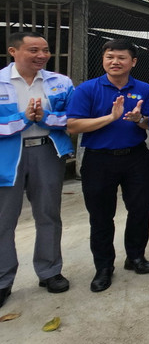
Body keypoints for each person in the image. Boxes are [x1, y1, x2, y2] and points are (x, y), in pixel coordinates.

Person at [67, 39, 149, 293]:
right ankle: (104, 267)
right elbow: (73, 126)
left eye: (121, 57)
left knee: (140, 209)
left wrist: (140, 119)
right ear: (104, 60)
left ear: (133, 62)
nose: (115, 62)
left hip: (136, 157)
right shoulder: (87, 89)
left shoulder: (145, 89)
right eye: (110, 57)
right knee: (101, 216)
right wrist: (110, 117)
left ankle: (135, 256)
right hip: (99, 159)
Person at [0, 32, 74, 307]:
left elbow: (73, 117)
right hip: (7, 155)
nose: (41, 55)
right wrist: (23, 118)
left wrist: (47, 118)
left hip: (46, 150)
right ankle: (3, 279)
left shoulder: (60, 82)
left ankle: (49, 271)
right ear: (13, 51)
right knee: (3, 220)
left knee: (48, 214)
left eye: (45, 50)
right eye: (33, 50)